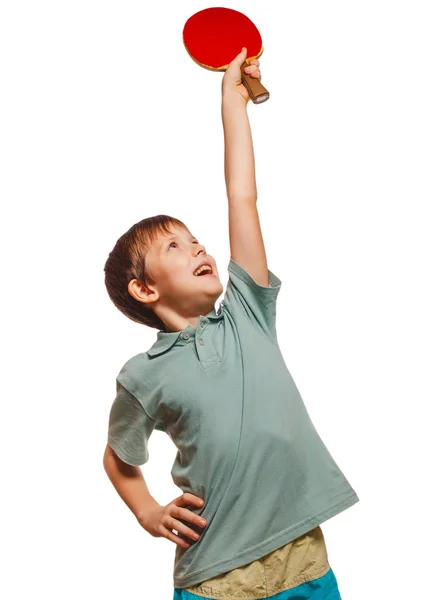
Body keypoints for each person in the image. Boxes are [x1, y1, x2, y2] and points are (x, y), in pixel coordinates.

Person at [103, 47, 359, 600]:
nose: (199, 246)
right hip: (218, 577)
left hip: (304, 559)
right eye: (175, 246)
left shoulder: (248, 312)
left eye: (196, 238)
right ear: (145, 289)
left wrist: (233, 103)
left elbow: (242, 198)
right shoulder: (142, 375)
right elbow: (118, 458)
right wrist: (147, 510)